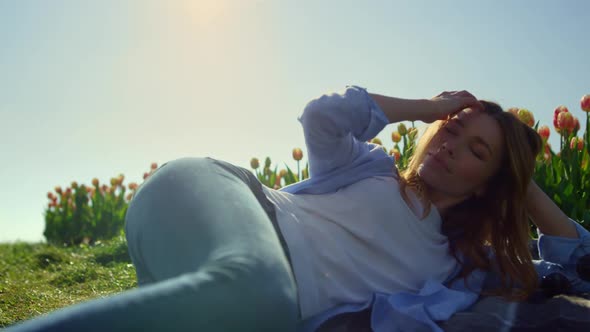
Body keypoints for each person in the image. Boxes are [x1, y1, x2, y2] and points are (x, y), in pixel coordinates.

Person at [6, 86, 590, 332]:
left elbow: (574, 257)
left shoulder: (464, 267)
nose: (450, 144)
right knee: (260, 292)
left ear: (490, 184)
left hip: (227, 295)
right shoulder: (371, 168)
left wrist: (520, 171)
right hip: (215, 204)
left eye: (476, 150)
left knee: (254, 303)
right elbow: (322, 117)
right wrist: (426, 105)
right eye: (452, 129)